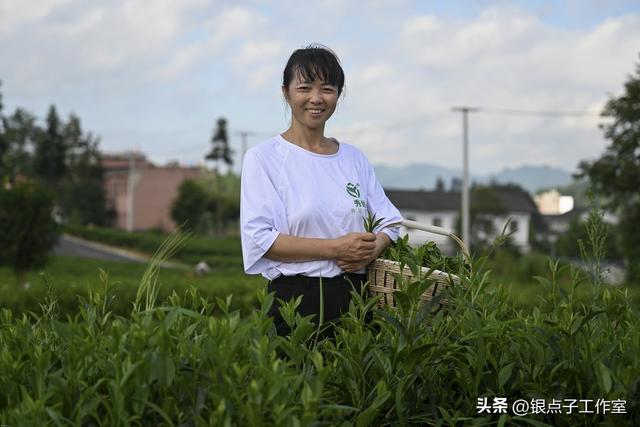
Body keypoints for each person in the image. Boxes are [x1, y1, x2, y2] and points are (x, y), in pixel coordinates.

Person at [240, 44, 402, 336]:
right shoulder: (264, 158)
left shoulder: (353, 158)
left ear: (338, 94)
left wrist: (372, 250)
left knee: (355, 382)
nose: (316, 98)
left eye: (327, 88)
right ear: (286, 92)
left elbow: (389, 221)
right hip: (296, 301)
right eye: (304, 87)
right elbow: (260, 239)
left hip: (358, 300)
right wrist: (335, 248)